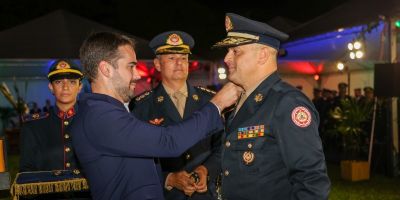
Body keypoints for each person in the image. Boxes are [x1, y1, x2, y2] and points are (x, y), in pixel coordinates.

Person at [72, 31, 242, 200]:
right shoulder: (101, 117)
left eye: (183, 58)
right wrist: (217, 104)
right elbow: (169, 141)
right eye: (131, 66)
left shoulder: (103, 112)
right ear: (106, 69)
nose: (138, 75)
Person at [212, 13, 330, 199]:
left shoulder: (287, 103)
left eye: (236, 51)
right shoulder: (239, 100)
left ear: (263, 55)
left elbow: (311, 181)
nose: (226, 58)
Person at [131, 31, 221, 200]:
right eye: (172, 58)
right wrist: (168, 178)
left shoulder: (210, 101)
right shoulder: (141, 106)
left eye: (183, 58)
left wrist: (205, 170)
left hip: (204, 194)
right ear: (157, 64)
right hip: (165, 195)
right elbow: (136, 158)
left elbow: (222, 146)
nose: (179, 63)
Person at [19, 59, 90, 199]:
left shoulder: (93, 121)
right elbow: (26, 174)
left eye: (71, 82)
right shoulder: (33, 126)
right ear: (51, 87)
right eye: (58, 82)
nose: (65, 87)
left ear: (80, 87)